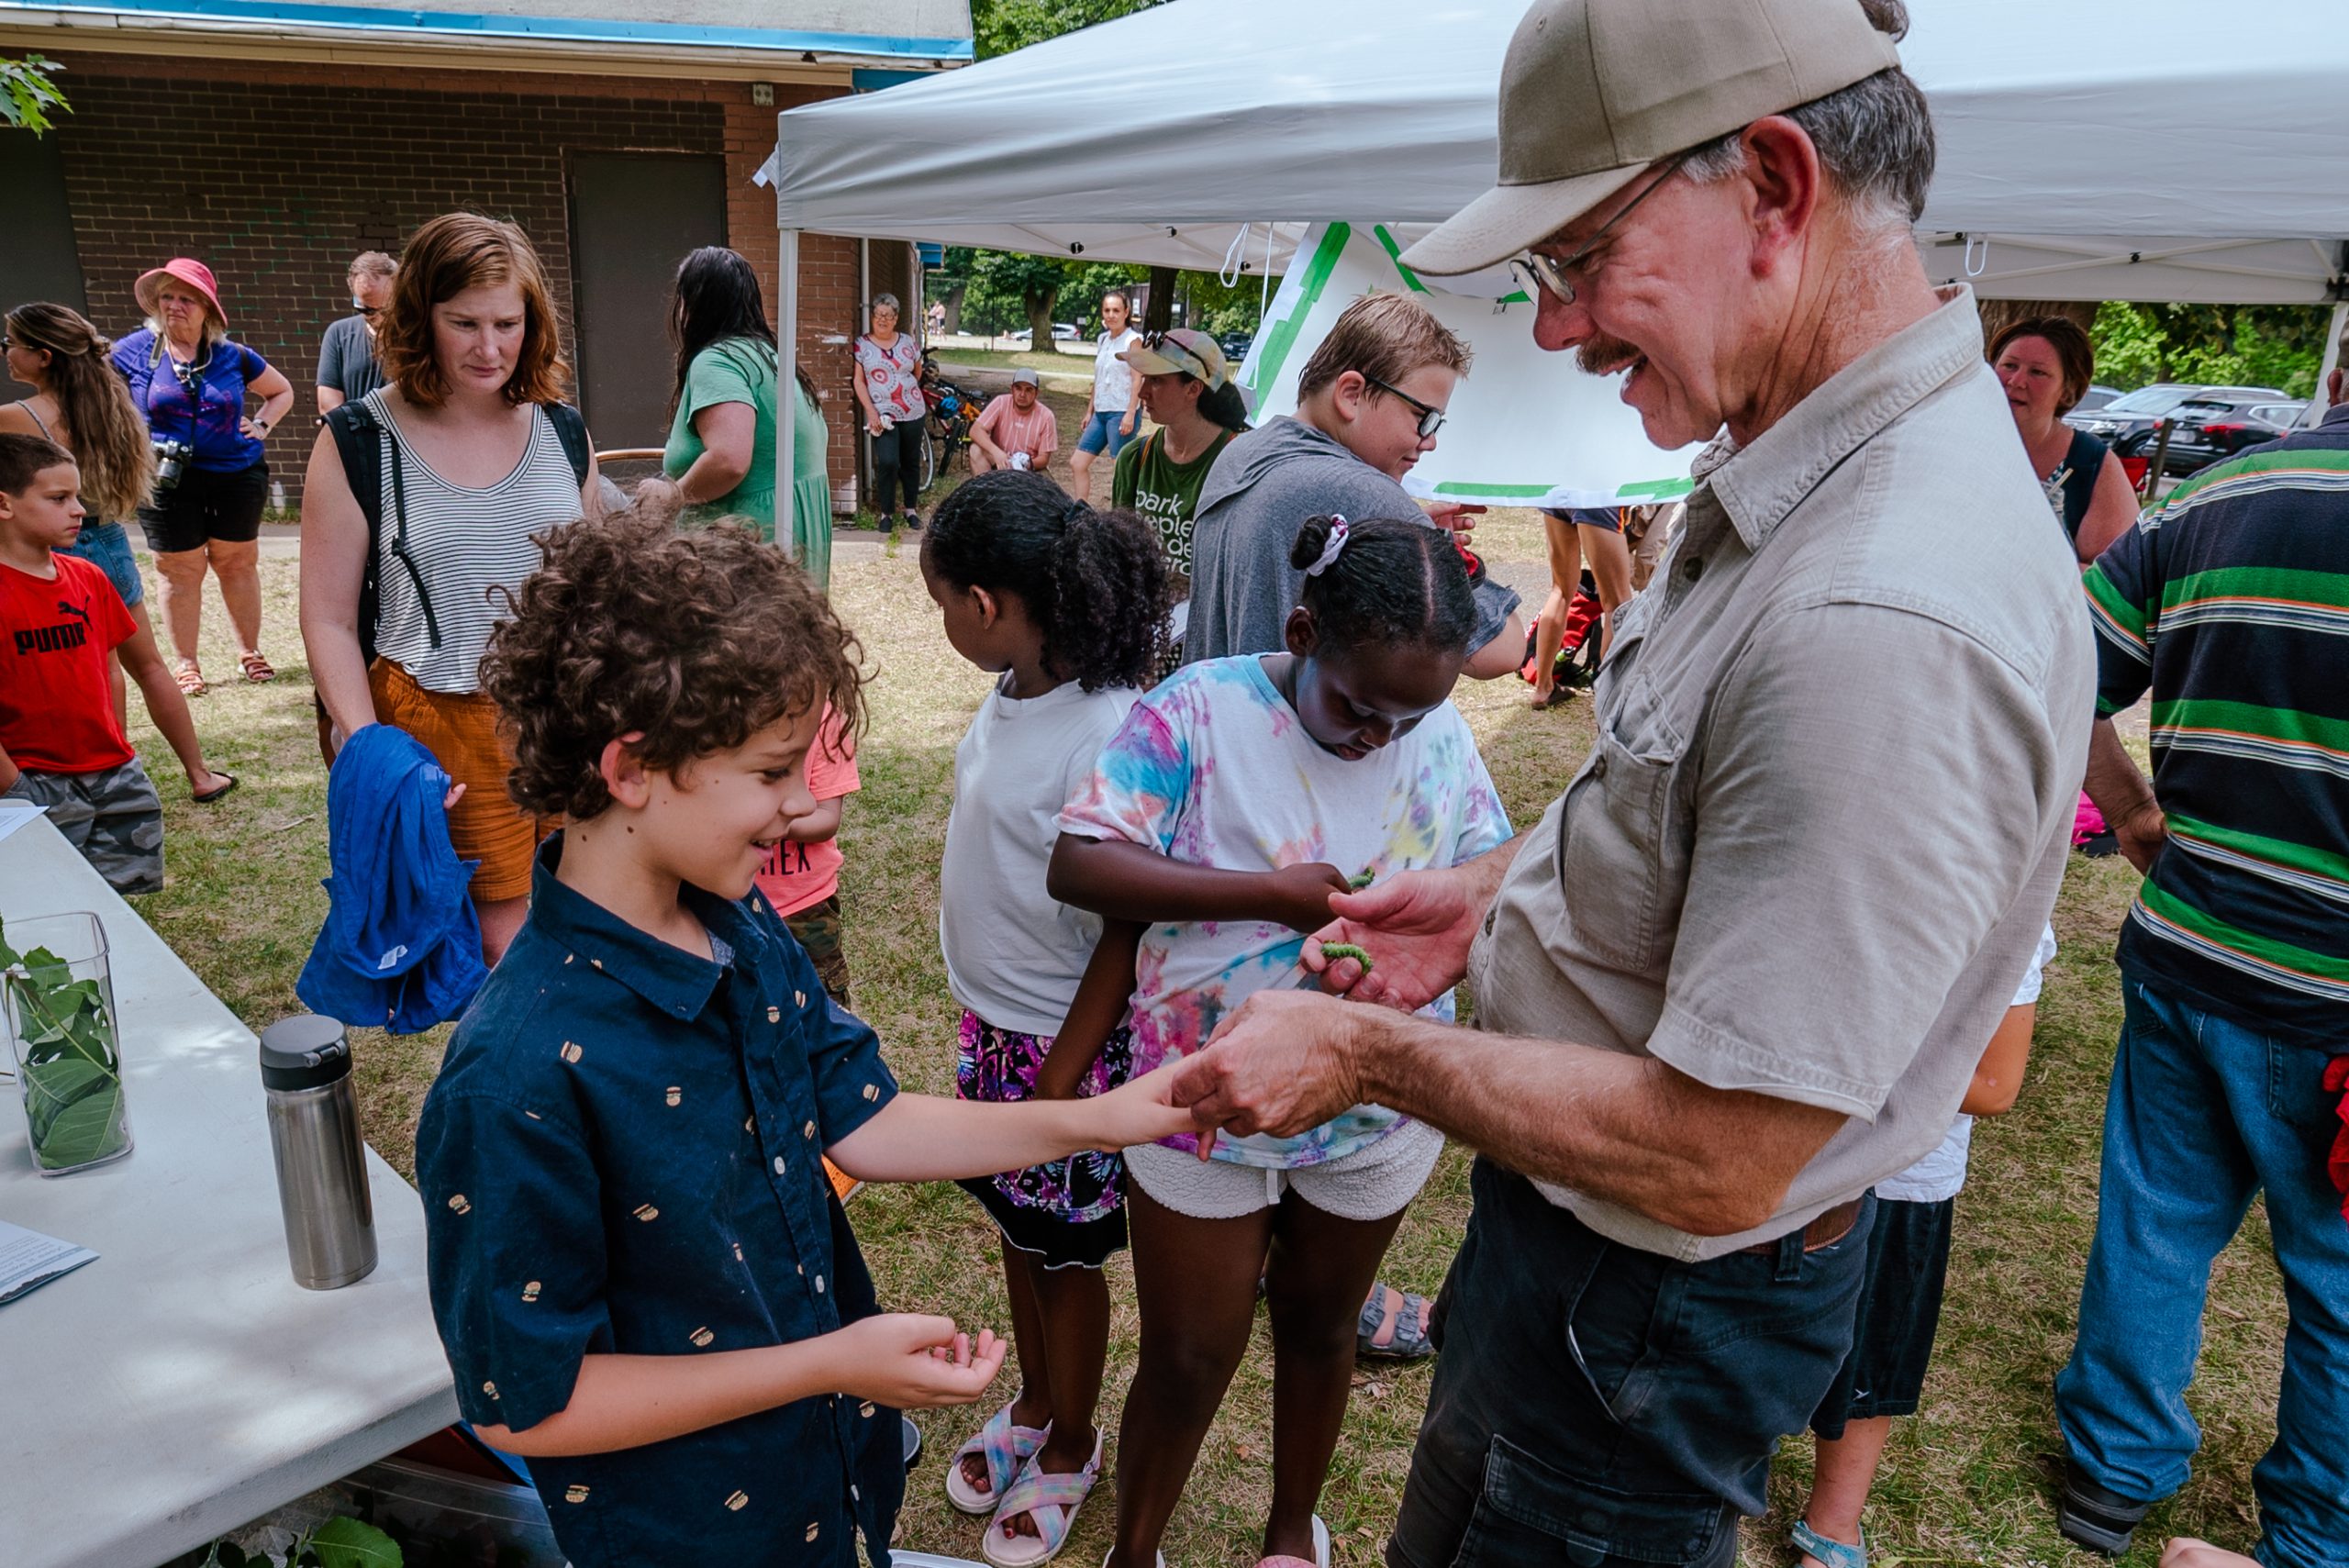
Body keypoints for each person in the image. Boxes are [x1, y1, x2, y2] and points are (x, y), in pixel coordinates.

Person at [1162, 3, 2096, 1563]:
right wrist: (1482, 897)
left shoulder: (1876, 605)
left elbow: (1722, 1143)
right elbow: (1702, 816)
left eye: (1580, 256)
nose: (1557, 327)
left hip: (1649, 1293)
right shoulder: (1810, 470)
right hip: (1593, 1257)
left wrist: (1371, 1053)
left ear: (1778, 187)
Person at [415, 508, 1192, 1568]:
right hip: (689, 1529)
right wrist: (827, 1360)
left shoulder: (739, 928)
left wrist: (1104, 1118)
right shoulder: (512, 1076)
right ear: (633, 766)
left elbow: (864, 1120)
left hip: (822, 1472)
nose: (805, 803)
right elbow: (525, 1406)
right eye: (775, 770)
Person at [1052, 515, 1511, 1568]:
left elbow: (1484, 873)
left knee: (1321, 1329)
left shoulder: (1431, 734)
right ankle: (1135, 1548)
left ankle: (1289, 1534)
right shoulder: (1198, 711)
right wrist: (1273, 894)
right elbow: (1081, 863)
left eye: (1409, 716)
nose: (1377, 739)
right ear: (1303, 630)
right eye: (1357, 707)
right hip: (1198, 1102)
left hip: (1371, 1110)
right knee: (1185, 1351)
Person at [2049, 315, 2349, 1568]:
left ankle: (2111, 1475)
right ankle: (2319, 1531)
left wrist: (2129, 811)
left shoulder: (2220, 497)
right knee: (2338, 1285)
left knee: (2159, 1215)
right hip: (2330, 997)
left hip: (2192, 946)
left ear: (2337, 372)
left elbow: (2051, 670)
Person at [924, 471, 1174, 1566]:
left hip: (1059, 1051)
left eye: (941, 601)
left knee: (1066, 1260)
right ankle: (1033, 1402)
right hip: (998, 1031)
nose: (943, 622)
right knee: (1018, 1237)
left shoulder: (1105, 729)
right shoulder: (1017, 684)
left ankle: (1072, 1440)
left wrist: (1059, 1084)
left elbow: (1121, 934)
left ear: (986, 604)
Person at [299, 212, 601, 967]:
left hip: (574, 714)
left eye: (508, 322)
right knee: (503, 941)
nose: (490, 346)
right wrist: (369, 745)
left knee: (592, 913)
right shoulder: (359, 439)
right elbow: (329, 618)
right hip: (446, 720)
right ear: (418, 315)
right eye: (464, 322)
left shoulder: (563, 429)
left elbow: (600, 584)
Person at [1789, 925, 2053, 1568]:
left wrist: (1829, 1051)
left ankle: (1834, 1527)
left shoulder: (2008, 910)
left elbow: (1995, 1082)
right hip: (1786, 1154)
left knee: (1869, 1358)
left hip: (1901, 1178)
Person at [1184, 292, 1524, 682]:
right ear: (1351, 395)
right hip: (1290, 742)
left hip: (1212, 730)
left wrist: (1406, 539)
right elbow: (1504, 649)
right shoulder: (1363, 494)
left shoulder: (1239, 454)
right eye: (1424, 417)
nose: (1429, 440)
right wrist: (1441, 556)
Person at [2, 303, 234, 801]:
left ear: (42, 355)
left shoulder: (14, 419)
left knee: (100, 669)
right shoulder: (112, 403)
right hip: (109, 541)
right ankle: (200, 775)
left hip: (58, 557)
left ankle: (108, 778)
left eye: (10, 345)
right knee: (149, 665)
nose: (6, 355)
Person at [0, 434, 173, 893]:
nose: (79, 509)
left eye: (77, 496)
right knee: (46, 905)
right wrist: (13, 786)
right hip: (33, 780)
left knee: (121, 904)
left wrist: (119, 745)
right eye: (59, 498)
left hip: (113, 772)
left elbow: (110, 667)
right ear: (4, 504)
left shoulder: (89, 578)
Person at [113, 257, 294, 695]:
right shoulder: (132, 351)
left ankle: (250, 652)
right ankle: (187, 663)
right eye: (168, 297)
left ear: (208, 309)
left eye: (187, 298)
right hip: (167, 478)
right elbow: (100, 400)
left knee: (237, 562)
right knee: (178, 569)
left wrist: (263, 424)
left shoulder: (232, 355)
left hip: (236, 472)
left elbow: (281, 391)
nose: (175, 306)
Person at [1111, 327, 1250, 645]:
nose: (1143, 392)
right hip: (1148, 634)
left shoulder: (1240, 461)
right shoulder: (1135, 458)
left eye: (1156, 380)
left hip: (1209, 640)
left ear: (1194, 389)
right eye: (1143, 378)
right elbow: (1120, 558)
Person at [644, 247, 784, 543]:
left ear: (694, 306)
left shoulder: (717, 361)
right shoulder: (770, 357)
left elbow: (729, 459)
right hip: (782, 541)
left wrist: (672, 496)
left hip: (745, 548)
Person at [1990, 315, 2137, 566]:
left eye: (2037, 372)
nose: (2016, 382)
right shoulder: (1952, 438)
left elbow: (2115, 576)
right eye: (2009, 366)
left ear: (2068, 390)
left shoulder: (2089, 464)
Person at [752, 706, 858, 1005]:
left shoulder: (825, 718)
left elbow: (826, 818)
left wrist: (764, 823)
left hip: (805, 907)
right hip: (732, 903)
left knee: (821, 1011)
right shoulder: (726, 709)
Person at [1526, 506, 1635, 706]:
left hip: (1561, 493)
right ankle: (1611, 700)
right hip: (1601, 496)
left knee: (1560, 591)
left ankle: (1543, 688)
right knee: (1617, 606)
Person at [852, 292, 926, 535]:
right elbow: (859, 382)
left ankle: (911, 509)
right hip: (882, 415)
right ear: (872, 317)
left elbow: (917, 373)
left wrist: (903, 393)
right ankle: (886, 513)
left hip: (913, 410)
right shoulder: (862, 345)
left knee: (910, 462)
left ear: (896, 318)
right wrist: (871, 412)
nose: (882, 320)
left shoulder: (908, 342)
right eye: (878, 315)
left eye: (888, 315)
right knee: (887, 461)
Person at [1067, 289, 1140, 503]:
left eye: (1116, 310)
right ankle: (1081, 509)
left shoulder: (1133, 340)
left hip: (1121, 411)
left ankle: (1123, 514)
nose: (1111, 315)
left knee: (1120, 468)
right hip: (1101, 412)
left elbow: (1138, 379)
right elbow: (1098, 378)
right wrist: (1089, 411)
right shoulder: (1103, 340)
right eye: (1107, 310)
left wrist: (1130, 413)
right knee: (1077, 462)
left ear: (1126, 312)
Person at [316, 251, 397, 416]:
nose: (378, 317)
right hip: (359, 438)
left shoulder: (420, 333)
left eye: (386, 309)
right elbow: (328, 404)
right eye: (366, 309)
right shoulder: (339, 333)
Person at [968, 368, 1060, 477]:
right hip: (1000, 461)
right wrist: (996, 452)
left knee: (1050, 490)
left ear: (1036, 393)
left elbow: (1044, 459)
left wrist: (1027, 464)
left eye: (1028, 390)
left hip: (1030, 470)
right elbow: (975, 430)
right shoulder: (1001, 402)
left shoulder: (1047, 416)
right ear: (1012, 389)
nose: (1022, 394)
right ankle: (987, 492)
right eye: (1018, 388)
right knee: (975, 450)